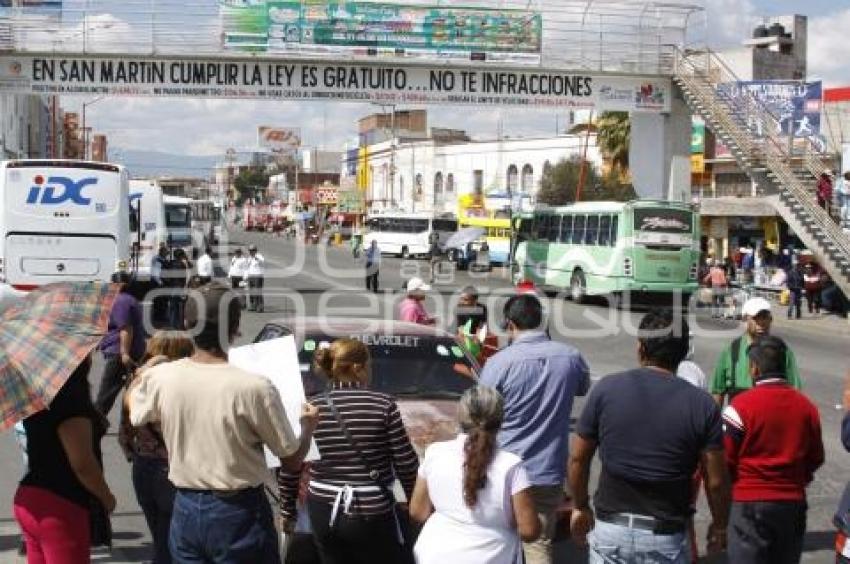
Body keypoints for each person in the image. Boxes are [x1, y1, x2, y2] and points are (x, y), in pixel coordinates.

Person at [128, 283, 319, 562]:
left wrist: (143, 372)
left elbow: (135, 411)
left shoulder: (161, 378)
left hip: (185, 507)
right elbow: (290, 460)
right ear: (235, 327)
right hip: (238, 511)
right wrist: (308, 427)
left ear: (186, 323)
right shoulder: (253, 386)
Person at [569, 309, 731, 563]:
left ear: (641, 348)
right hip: (665, 537)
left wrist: (580, 505)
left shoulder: (607, 390)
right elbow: (717, 481)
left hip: (611, 531)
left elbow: (578, 459)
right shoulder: (702, 405)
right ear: (683, 353)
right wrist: (720, 526)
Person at [277, 338, 420, 564]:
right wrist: (416, 505)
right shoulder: (384, 405)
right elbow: (406, 463)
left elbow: (291, 464)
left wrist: (287, 510)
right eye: (370, 365)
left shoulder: (312, 407)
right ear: (358, 368)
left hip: (322, 509)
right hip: (371, 511)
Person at [480, 294, 590, 564]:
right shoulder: (571, 357)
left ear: (509, 323)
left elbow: (480, 412)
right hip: (546, 471)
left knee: (496, 539)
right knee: (538, 542)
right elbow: (582, 388)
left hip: (503, 470)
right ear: (541, 321)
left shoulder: (499, 363)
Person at [409, 386, 541, 564]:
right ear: (500, 421)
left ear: (460, 417)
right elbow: (529, 531)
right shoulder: (512, 466)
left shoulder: (434, 453)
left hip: (433, 555)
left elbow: (418, 512)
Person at [721, 336, 823, 564]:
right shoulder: (807, 407)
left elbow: (725, 459)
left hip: (749, 504)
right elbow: (816, 456)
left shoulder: (740, 407)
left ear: (753, 368)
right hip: (792, 503)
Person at [14, 356, 117, 563]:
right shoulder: (70, 399)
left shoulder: (39, 392)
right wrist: (107, 498)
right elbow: (82, 463)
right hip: (59, 505)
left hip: (30, 497)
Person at [119, 332, 194, 564]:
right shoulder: (178, 385)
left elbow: (124, 435)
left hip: (142, 467)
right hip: (170, 469)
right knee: (172, 541)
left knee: (159, 535)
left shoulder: (137, 381)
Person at [709, 297, 803, 406]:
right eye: (756, 318)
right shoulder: (731, 351)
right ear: (745, 320)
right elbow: (717, 391)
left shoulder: (782, 351)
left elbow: (795, 390)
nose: (761, 323)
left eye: (765, 318)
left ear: (770, 319)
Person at [94, 271, 146, 418]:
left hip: (119, 354)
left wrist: (124, 353)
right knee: (131, 393)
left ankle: (96, 426)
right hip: (124, 351)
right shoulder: (128, 299)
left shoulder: (121, 300)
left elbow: (125, 328)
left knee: (105, 396)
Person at [167, 248, 191, 330]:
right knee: (182, 308)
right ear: (181, 255)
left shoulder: (170, 263)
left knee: (173, 308)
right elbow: (188, 276)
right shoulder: (183, 264)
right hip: (180, 288)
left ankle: (173, 326)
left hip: (171, 288)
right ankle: (181, 326)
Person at [150, 243, 170, 323]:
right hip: (158, 284)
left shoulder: (159, 258)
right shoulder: (158, 260)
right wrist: (160, 282)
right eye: (166, 252)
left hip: (157, 283)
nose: (167, 254)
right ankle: (159, 318)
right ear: (162, 252)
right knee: (160, 302)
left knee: (160, 302)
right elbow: (156, 273)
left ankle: (159, 317)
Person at [246, 243, 266, 312]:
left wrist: (256, 257)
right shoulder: (249, 258)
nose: (251, 252)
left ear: (255, 250)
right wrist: (246, 276)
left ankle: (260, 307)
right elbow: (247, 268)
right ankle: (253, 305)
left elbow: (263, 262)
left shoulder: (259, 256)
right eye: (250, 250)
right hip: (251, 276)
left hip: (258, 276)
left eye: (252, 250)